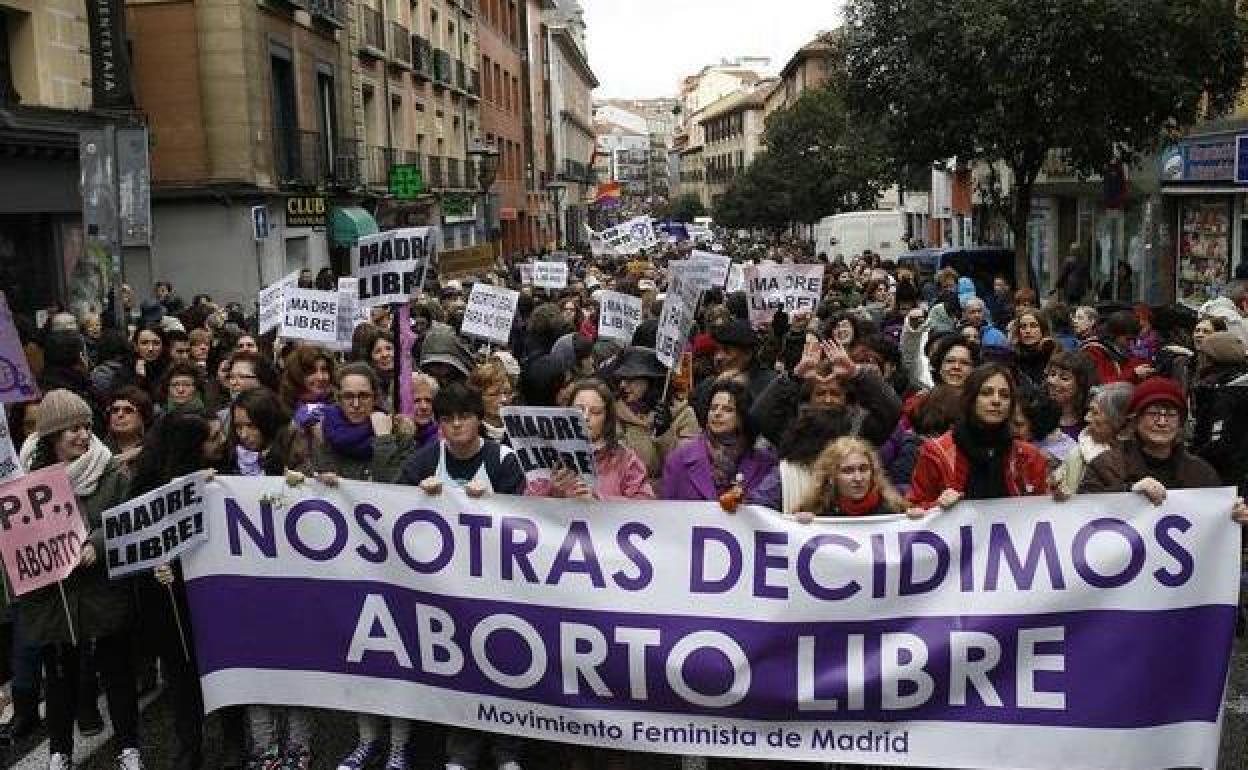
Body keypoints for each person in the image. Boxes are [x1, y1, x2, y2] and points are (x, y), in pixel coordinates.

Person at [395, 382, 526, 770]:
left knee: (506, 663)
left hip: (500, 586)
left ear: (478, 420)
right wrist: (417, 496)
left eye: (464, 416)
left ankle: (507, 752)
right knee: (462, 667)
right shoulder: (427, 459)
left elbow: (527, 520)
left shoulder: (503, 460)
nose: (456, 425)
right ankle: (461, 752)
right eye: (447, 418)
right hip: (448, 588)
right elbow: (392, 502)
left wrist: (494, 502)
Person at [16, 390, 143, 770]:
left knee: (117, 673)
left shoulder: (111, 472)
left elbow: (126, 520)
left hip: (103, 590)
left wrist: (97, 545)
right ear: (52, 435)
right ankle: (60, 752)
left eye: (86, 426)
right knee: (59, 679)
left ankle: (129, 748)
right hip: (54, 598)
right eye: (73, 429)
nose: (84, 435)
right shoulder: (25, 483)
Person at [301, 364, 414, 770]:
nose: (354, 404)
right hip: (345, 565)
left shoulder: (398, 434)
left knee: (396, 656)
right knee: (359, 655)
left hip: (392, 565)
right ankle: (367, 740)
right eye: (347, 396)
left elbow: (396, 490)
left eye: (363, 396)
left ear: (375, 397)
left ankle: (399, 745)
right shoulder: (322, 435)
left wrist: (383, 441)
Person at [129, 410, 231, 770]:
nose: (222, 442)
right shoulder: (146, 485)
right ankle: (190, 743)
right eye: (212, 438)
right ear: (189, 447)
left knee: (225, 665)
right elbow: (134, 537)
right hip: (168, 595)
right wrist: (151, 565)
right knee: (180, 670)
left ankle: (233, 740)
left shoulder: (225, 474)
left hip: (215, 590)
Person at [220, 388, 313, 769]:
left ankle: (299, 746)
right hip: (245, 584)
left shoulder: (294, 457)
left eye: (251, 426)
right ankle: (264, 749)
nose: (244, 434)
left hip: (291, 583)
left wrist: (306, 485)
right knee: (253, 666)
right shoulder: (225, 464)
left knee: (296, 665)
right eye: (238, 426)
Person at [908, 364, 1050, 508]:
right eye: (986, 393)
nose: (996, 401)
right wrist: (937, 505)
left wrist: (1058, 498)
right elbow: (915, 507)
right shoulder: (937, 454)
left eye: (1004, 395)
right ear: (970, 399)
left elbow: (1044, 510)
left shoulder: (1028, 457)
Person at [661, 380, 780, 509]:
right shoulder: (679, 459)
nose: (717, 413)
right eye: (713, 408)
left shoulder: (765, 463)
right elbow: (668, 511)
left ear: (742, 417)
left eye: (728, 410)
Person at [529, 380, 655, 500]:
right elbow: (526, 503)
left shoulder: (626, 460)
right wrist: (552, 491)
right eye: (578, 410)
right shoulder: (547, 457)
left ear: (607, 419)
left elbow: (645, 504)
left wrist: (598, 500)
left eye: (595, 412)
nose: (585, 417)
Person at [795, 436, 919, 519]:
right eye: (848, 471)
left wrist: (917, 522)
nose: (858, 478)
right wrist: (801, 527)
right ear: (831, 477)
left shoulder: (896, 510)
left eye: (864, 469)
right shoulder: (815, 512)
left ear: (873, 473)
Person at [1051, 382, 1134, 500]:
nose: (1087, 418)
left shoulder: (1138, 453)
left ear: (1119, 420)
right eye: (1089, 411)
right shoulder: (1079, 453)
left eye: (1095, 413)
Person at [1044, 350, 1099, 440]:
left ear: (1081, 384)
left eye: (1064, 378)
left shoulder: (1093, 421)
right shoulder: (1036, 415)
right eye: (1052, 374)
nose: (1053, 381)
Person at [105, 385, 154, 466]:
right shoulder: (96, 449)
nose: (120, 414)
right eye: (115, 410)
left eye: (128, 410)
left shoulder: (156, 450)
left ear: (143, 417)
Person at [469, 360, 514, 442]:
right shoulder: (470, 433)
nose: (503, 399)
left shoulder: (520, 428)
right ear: (478, 397)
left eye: (507, 392)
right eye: (494, 394)